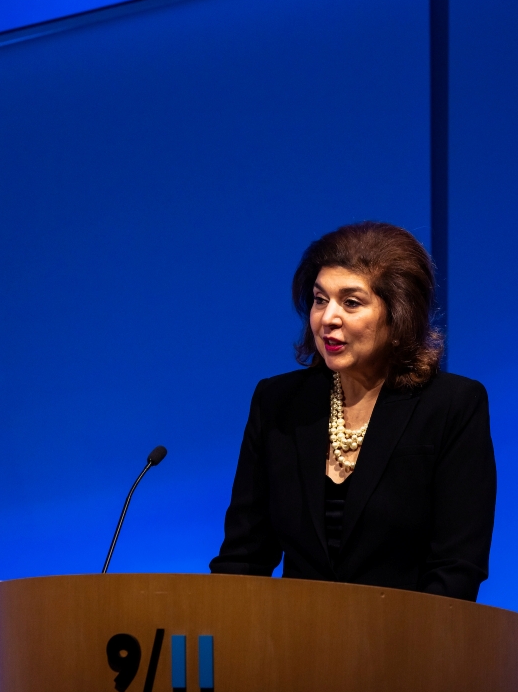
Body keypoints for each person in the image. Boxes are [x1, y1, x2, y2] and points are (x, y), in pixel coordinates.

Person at [209, 222, 496, 601]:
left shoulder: (451, 406)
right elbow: (243, 557)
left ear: (399, 315)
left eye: (351, 302)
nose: (328, 318)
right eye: (319, 299)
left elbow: (456, 568)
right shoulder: (277, 402)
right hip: (290, 645)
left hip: (406, 647)